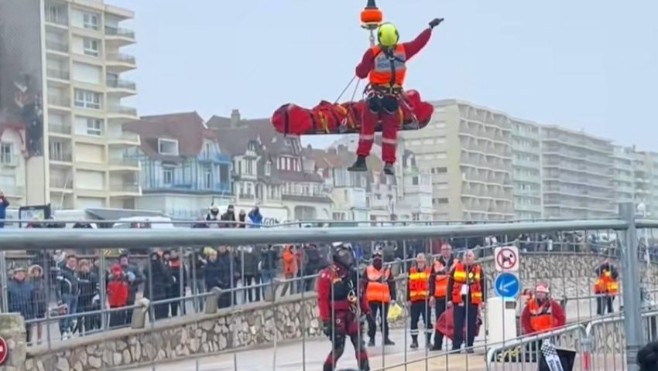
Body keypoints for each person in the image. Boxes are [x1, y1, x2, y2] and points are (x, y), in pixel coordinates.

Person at [348, 18, 444, 175]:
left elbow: (361, 73)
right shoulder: (403, 51)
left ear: (379, 37)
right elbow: (419, 43)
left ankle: (361, 160)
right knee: (389, 132)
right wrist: (429, 28)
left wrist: (362, 67)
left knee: (367, 129)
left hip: (375, 98)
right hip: (392, 100)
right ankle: (389, 164)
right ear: (396, 36)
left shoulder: (372, 53)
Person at [317, 242, 371, 371]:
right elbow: (322, 299)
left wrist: (368, 312)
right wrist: (326, 320)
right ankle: (327, 368)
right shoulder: (327, 275)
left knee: (359, 344)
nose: (347, 257)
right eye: (343, 254)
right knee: (338, 347)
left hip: (353, 313)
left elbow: (361, 294)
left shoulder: (353, 274)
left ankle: (365, 368)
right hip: (337, 315)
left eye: (348, 254)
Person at [447, 249, 485, 353]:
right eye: (466, 256)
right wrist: (449, 299)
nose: (467, 258)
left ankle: (469, 345)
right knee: (458, 323)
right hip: (458, 299)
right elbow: (450, 284)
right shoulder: (456, 268)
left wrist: (483, 301)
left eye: (470, 256)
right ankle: (456, 346)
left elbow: (483, 285)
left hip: (472, 300)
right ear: (463, 258)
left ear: (473, 258)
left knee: (471, 324)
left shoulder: (478, 269)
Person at [363, 249, 396, 347]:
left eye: (379, 257)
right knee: (371, 320)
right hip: (371, 299)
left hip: (384, 299)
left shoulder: (387, 271)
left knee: (384, 320)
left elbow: (391, 284)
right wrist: (362, 297)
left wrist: (393, 297)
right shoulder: (368, 270)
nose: (377, 259)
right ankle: (371, 339)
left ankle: (385, 338)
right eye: (375, 257)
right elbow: (363, 284)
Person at [429, 243, 457, 351]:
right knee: (439, 321)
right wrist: (431, 295)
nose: (445, 251)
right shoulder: (436, 264)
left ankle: (455, 344)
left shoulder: (456, 263)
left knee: (454, 321)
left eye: (447, 249)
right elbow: (431, 280)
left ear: (451, 250)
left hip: (453, 297)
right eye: (443, 249)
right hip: (439, 297)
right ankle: (437, 344)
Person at [407, 253, 432, 349]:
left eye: (422, 260)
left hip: (426, 300)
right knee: (414, 321)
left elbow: (432, 284)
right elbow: (409, 286)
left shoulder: (429, 270)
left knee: (428, 321)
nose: (420, 262)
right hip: (415, 300)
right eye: (419, 260)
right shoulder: (411, 271)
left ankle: (428, 341)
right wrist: (408, 299)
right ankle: (414, 341)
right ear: (416, 261)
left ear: (425, 261)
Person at [7, 267, 34, 342]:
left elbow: (33, 300)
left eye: (22, 272)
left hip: (27, 314)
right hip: (15, 314)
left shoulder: (29, 285)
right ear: (15, 274)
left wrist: (33, 312)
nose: (21, 274)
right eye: (19, 273)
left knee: (28, 334)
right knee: (17, 335)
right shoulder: (9, 286)